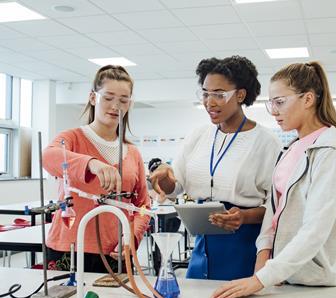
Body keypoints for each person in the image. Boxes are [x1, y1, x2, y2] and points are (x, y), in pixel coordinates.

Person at [211, 61, 336, 298]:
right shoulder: (292, 149)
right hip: (282, 278)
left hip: (313, 284)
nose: (274, 111)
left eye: (280, 102)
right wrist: (262, 268)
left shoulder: (330, 151)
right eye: (271, 103)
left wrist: (262, 278)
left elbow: (315, 230)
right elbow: (274, 213)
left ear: (308, 99)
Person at [150, 56, 281, 281]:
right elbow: (175, 187)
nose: (209, 102)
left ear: (240, 95)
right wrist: (163, 177)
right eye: (205, 93)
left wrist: (244, 216)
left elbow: (277, 206)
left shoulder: (266, 141)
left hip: (244, 243)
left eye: (219, 95)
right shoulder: (198, 136)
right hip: (201, 244)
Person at [43, 65, 150, 273]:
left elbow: (143, 204)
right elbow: (48, 157)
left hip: (114, 251)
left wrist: (132, 236)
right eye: (108, 98)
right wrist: (91, 163)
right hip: (69, 248)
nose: (115, 106)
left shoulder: (132, 152)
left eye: (123, 100)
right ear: (93, 98)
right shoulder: (72, 138)